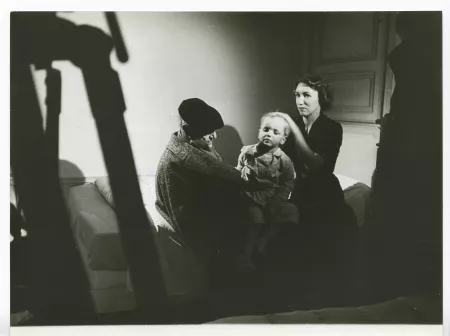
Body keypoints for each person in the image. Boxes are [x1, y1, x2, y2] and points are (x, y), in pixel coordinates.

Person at [155, 98, 270, 275]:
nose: (214, 136)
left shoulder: (190, 143)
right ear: (193, 131)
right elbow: (216, 172)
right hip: (189, 218)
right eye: (209, 132)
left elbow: (219, 171)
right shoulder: (185, 157)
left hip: (199, 207)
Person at [278, 77, 359, 270]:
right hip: (296, 187)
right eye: (297, 95)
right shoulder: (292, 124)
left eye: (306, 95)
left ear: (321, 98)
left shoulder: (332, 128)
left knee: (322, 235)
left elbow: (315, 165)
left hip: (322, 189)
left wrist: (291, 126)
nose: (300, 101)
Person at [236, 112, 298, 270]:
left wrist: (277, 201)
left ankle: (264, 241)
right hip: (252, 196)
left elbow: (287, 183)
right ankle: (247, 254)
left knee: (291, 212)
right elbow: (237, 170)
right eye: (266, 129)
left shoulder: (284, 161)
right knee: (255, 219)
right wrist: (241, 175)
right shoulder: (248, 153)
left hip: (273, 197)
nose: (269, 134)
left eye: (275, 132)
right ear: (259, 132)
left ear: (283, 139)